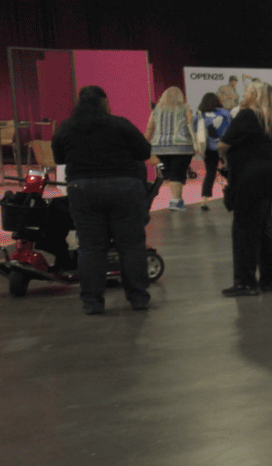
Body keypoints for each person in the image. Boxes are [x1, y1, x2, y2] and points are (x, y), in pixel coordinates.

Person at [50, 86, 152, 315]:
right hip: (124, 188)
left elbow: (59, 158)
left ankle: (92, 302)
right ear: (105, 102)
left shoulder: (66, 128)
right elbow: (144, 151)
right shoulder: (120, 124)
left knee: (91, 247)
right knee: (131, 245)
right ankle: (138, 298)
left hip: (83, 189)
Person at [218, 81, 272, 296]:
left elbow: (223, 144)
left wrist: (223, 157)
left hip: (251, 179)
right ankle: (271, 280)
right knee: (264, 228)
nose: (244, 95)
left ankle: (245, 282)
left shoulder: (248, 115)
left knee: (244, 229)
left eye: (248, 91)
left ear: (256, 96)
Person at [145, 87, 199, 210]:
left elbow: (149, 129)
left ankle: (178, 200)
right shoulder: (185, 108)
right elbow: (190, 126)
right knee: (177, 175)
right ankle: (175, 202)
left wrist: (144, 144)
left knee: (173, 175)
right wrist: (195, 143)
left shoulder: (156, 110)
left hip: (160, 147)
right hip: (182, 147)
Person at [195, 93, 230, 210]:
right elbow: (231, 128)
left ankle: (204, 200)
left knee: (210, 173)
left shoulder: (200, 115)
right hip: (224, 146)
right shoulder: (225, 113)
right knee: (231, 170)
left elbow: (197, 133)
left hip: (209, 148)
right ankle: (235, 193)